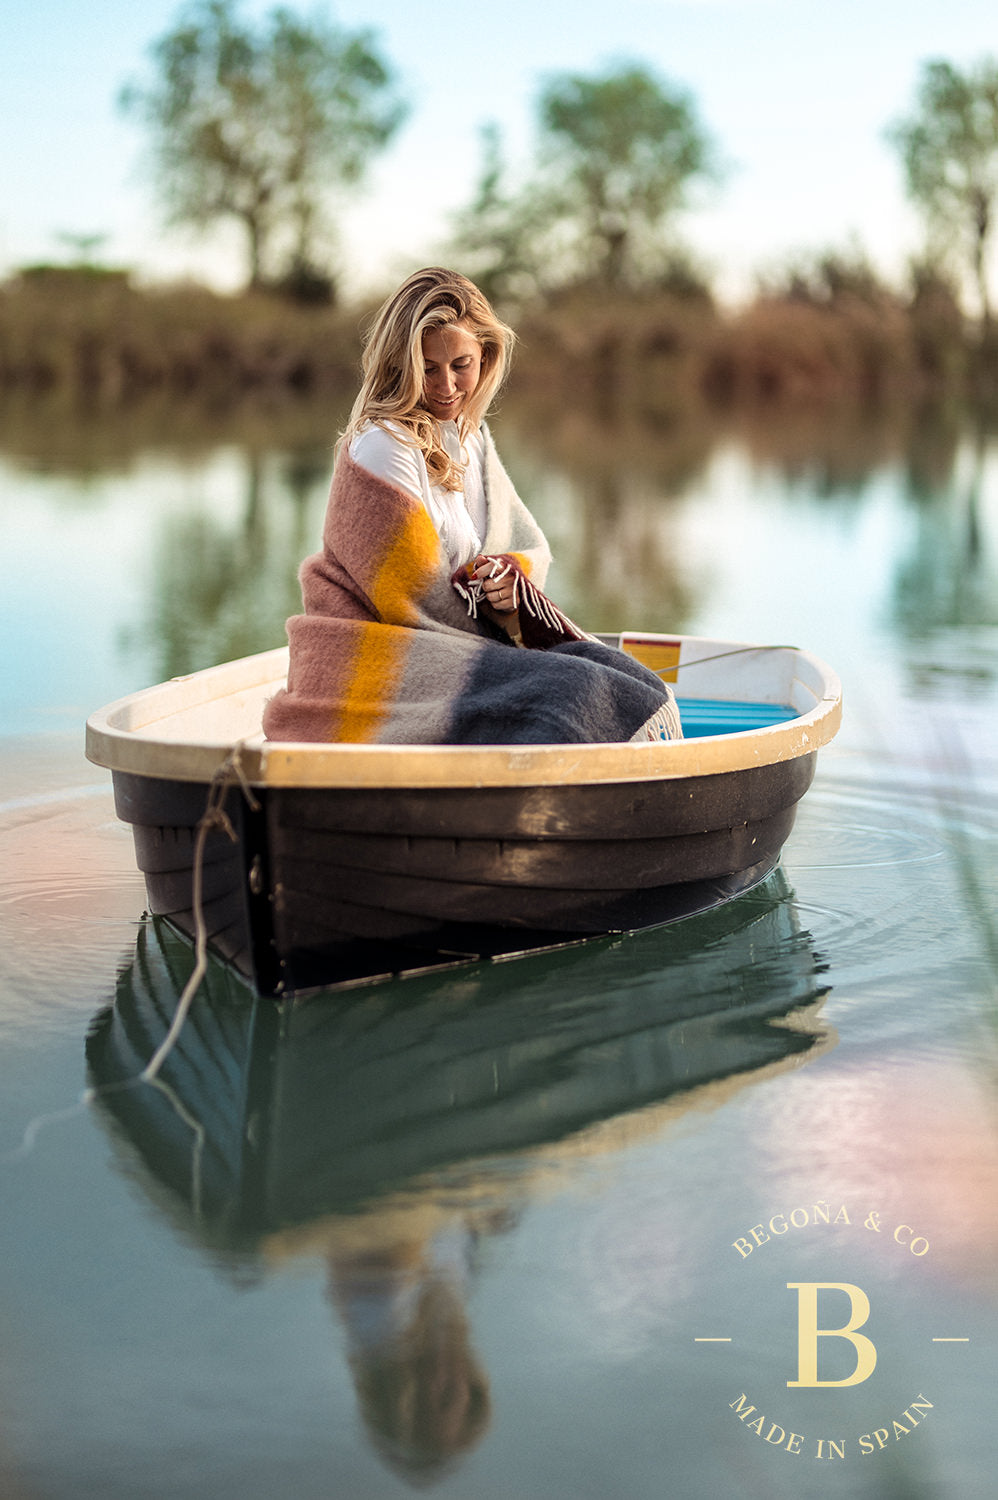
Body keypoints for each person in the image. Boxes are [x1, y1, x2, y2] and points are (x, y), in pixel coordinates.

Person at [262, 267, 682, 745]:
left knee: (636, 680)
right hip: (379, 652)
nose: (446, 386)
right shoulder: (384, 444)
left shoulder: (471, 438)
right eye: (428, 368)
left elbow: (523, 547)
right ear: (400, 365)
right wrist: (489, 607)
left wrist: (507, 584)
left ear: (486, 356)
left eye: (461, 364)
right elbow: (413, 601)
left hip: (462, 637)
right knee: (574, 690)